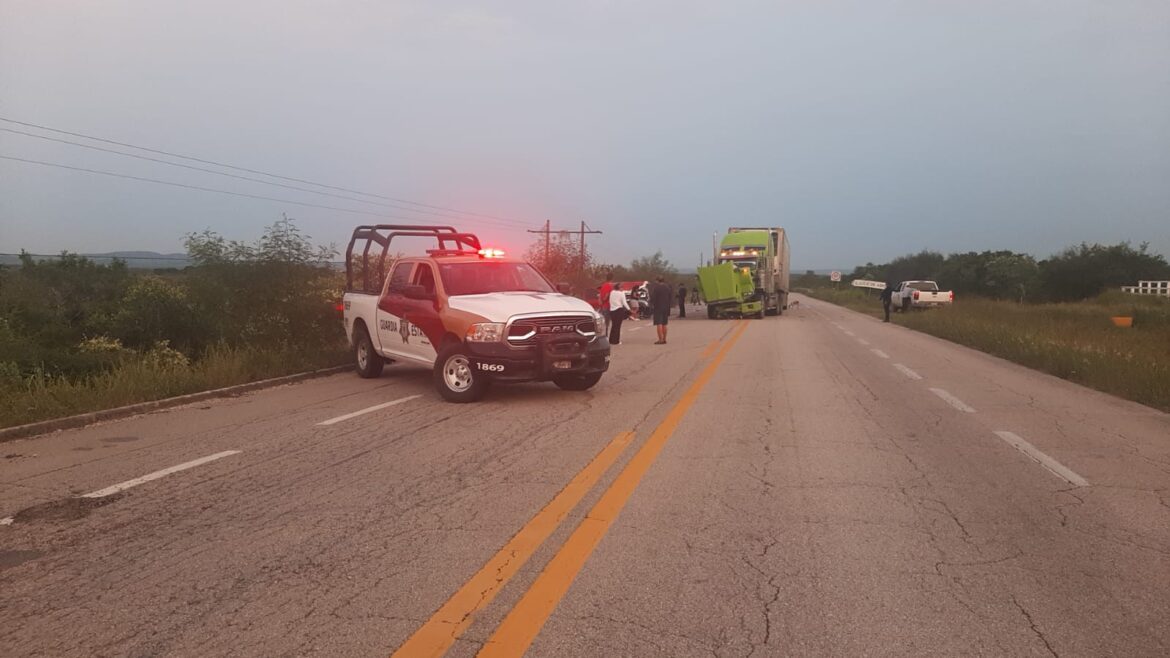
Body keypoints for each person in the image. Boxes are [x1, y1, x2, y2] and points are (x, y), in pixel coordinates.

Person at [648, 276, 674, 344]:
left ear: (657, 281)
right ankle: (664, 339)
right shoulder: (668, 287)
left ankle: (660, 339)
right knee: (664, 324)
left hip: (658, 307)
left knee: (659, 323)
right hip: (666, 307)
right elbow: (670, 297)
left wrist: (651, 304)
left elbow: (653, 297)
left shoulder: (656, 288)